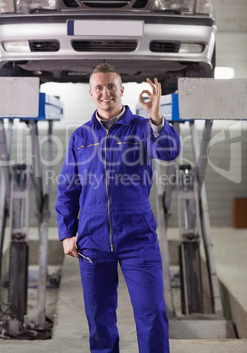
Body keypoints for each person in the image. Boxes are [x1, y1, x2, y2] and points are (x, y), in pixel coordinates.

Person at [55, 63, 181, 353]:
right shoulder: (81, 137)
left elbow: (169, 151)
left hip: (138, 237)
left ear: (121, 90)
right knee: (99, 319)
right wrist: (66, 233)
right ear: (91, 93)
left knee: (151, 314)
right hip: (92, 239)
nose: (105, 92)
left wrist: (157, 117)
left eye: (111, 86)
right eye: (99, 87)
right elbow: (68, 189)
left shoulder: (142, 128)